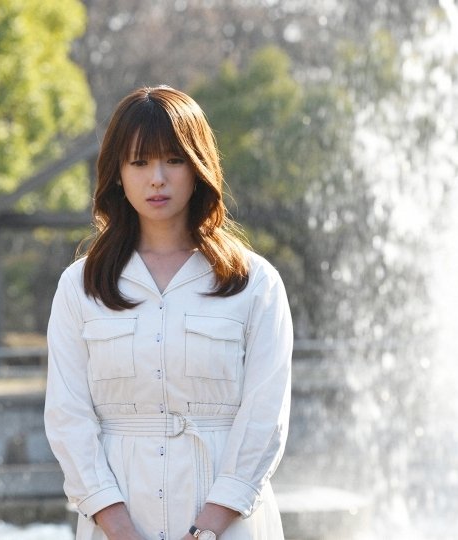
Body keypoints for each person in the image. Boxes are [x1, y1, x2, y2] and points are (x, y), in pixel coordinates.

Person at [44, 86, 292, 540]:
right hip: (116, 519)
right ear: (117, 173)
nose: (156, 179)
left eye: (173, 160)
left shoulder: (254, 282)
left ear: (198, 168)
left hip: (229, 521)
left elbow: (265, 415)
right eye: (139, 163)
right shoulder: (80, 285)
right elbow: (67, 414)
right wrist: (116, 525)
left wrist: (209, 526)